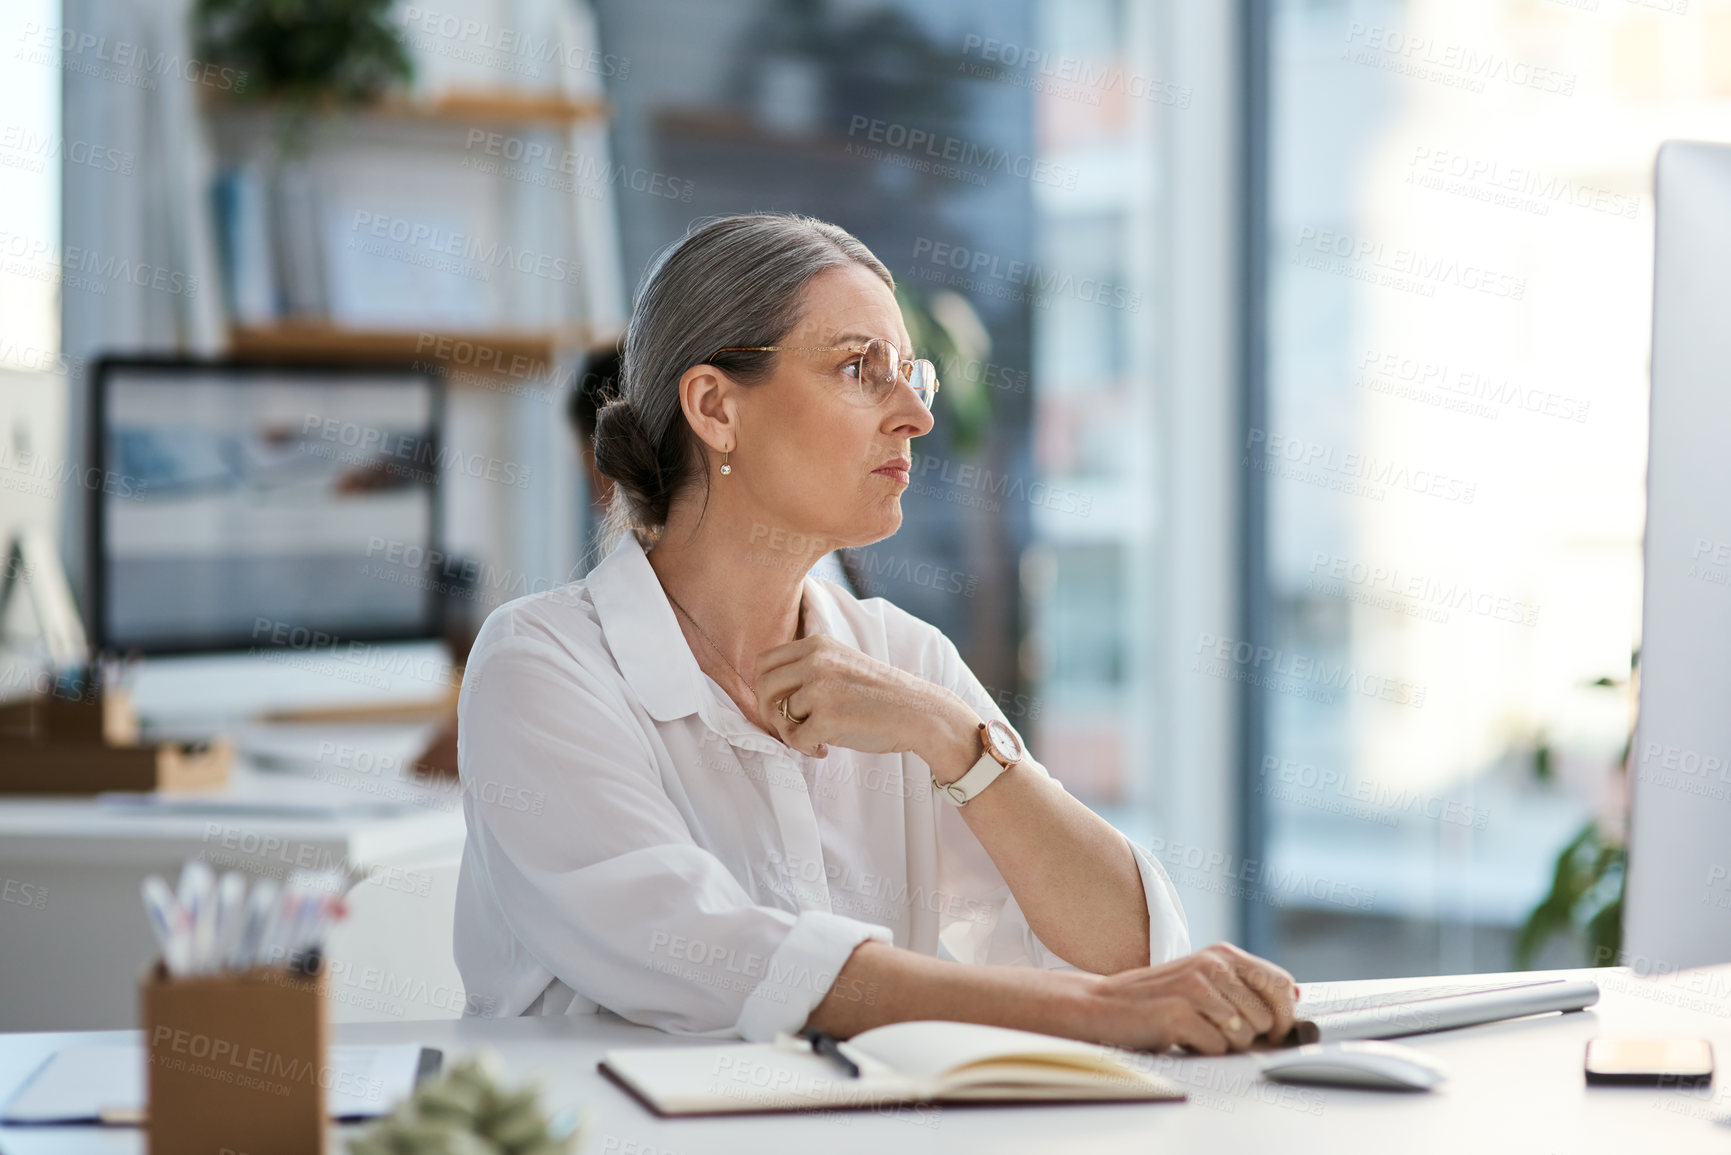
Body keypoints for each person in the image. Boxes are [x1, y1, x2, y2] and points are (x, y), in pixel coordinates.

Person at [453, 213, 1298, 1053]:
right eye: (859, 368)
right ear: (714, 407)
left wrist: (948, 734)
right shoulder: (542, 664)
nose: (915, 417)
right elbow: (709, 952)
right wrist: (1085, 1011)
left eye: (911, 375)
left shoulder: (902, 661)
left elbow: (1128, 949)